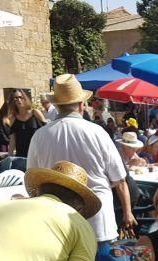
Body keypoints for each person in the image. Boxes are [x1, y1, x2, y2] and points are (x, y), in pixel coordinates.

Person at [27, 74, 135, 244]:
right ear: (81, 104)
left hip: (59, 223)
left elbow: (33, 181)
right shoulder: (97, 132)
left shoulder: (39, 136)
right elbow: (119, 180)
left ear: (56, 105)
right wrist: (127, 213)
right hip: (98, 222)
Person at [5, 89, 46, 157]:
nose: (18, 100)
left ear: (25, 98)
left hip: (38, 153)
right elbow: (12, 140)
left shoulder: (35, 113)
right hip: (21, 155)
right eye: (15, 98)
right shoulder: (12, 118)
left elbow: (46, 132)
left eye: (21, 97)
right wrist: (10, 155)